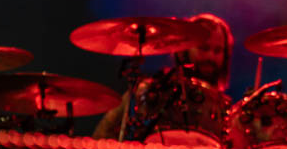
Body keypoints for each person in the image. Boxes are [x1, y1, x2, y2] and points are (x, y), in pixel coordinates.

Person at [92, 13, 233, 140]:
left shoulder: (224, 110)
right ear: (185, 48)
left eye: (218, 50)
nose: (210, 57)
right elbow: (102, 135)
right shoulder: (149, 91)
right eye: (204, 48)